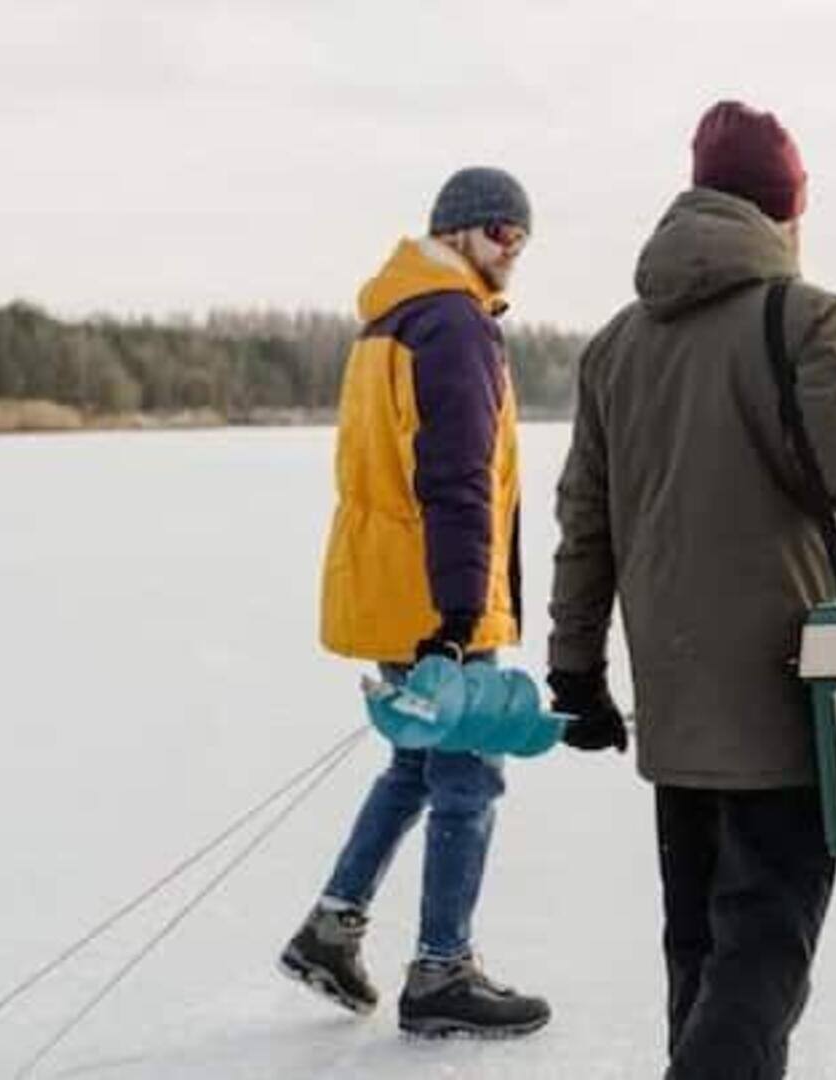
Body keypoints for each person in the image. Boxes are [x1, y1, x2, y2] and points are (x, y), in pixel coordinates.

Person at [546, 101, 836, 1078]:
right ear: (786, 205)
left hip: (674, 699)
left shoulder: (617, 345)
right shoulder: (805, 316)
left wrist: (576, 671)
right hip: (786, 700)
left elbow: (587, 523)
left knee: (701, 957)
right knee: (758, 962)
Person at [280, 166, 549, 1039]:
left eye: (523, 238)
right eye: (502, 233)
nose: (514, 252)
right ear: (462, 232)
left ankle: (332, 929)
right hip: (437, 596)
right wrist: (463, 614)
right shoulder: (452, 324)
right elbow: (457, 480)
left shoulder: (389, 320)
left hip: (395, 586)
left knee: (418, 763)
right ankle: (442, 971)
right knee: (467, 774)